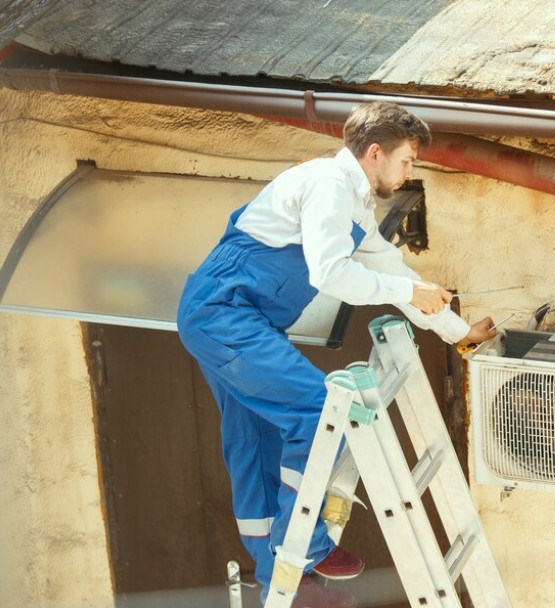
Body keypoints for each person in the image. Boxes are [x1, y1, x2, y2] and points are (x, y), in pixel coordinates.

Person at [176, 100, 496, 608]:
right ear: (375, 153)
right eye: (407, 161)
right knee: (315, 411)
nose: (409, 172)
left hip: (243, 320)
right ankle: (296, 553)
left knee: (253, 433)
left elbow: (395, 276)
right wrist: (410, 294)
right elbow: (329, 274)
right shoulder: (326, 186)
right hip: (224, 314)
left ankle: (277, 569)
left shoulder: (352, 203)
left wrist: (458, 333)